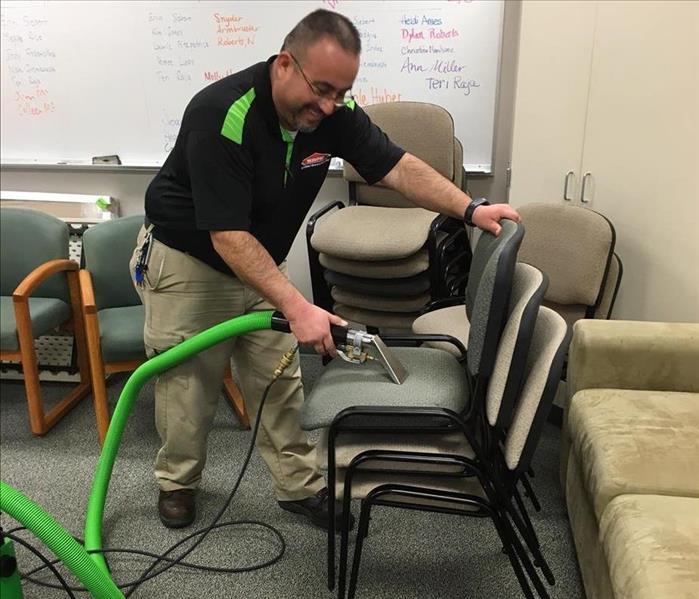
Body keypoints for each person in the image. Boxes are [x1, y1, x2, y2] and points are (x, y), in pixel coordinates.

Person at [130, 9, 520, 531]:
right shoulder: (222, 113)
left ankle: (298, 486)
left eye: (340, 92)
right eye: (320, 90)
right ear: (285, 64)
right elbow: (226, 235)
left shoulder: (332, 109)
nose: (329, 106)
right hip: (189, 262)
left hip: (258, 259)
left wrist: (470, 210)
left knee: (278, 376)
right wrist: (297, 305)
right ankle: (178, 482)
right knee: (188, 386)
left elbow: (398, 167)